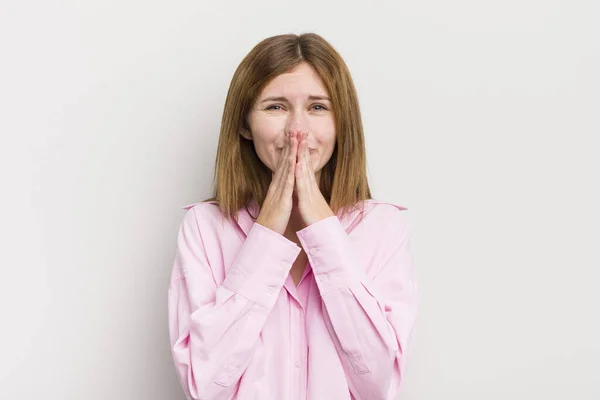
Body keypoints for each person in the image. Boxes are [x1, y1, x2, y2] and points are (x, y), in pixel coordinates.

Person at [167, 32, 419, 400]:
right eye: (275, 107)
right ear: (244, 125)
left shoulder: (383, 228)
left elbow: (378, 385)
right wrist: (266, 236)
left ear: (341, 122)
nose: (297, 129)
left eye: (318, 107)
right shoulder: (204, 228)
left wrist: (323, 230)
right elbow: (204, 387)